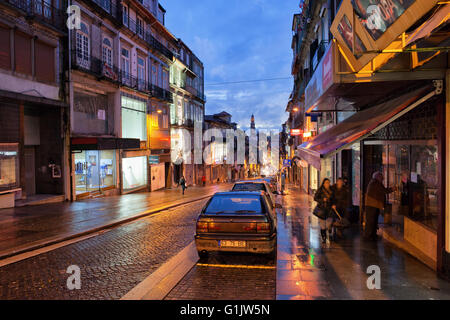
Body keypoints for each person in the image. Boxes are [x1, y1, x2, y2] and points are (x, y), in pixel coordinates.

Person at [364, 171, 394, 241]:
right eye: (381, 177)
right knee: (371, 221)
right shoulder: (375, 183)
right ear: (377, 177)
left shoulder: (376, 183)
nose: (383, 178)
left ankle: (372, 235)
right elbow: (384, 191)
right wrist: (392, 189)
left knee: (373, 221)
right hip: (372, 205)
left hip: (374, 205)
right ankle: (368, 236)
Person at [314, 178, 334, 243]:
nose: (327, 184)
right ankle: (324, 237)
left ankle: (328, 229)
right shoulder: (320, 190)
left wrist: (333, 204)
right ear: (323, 183)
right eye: (326, 183)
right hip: (321, 209)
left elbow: (334, 199)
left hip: (329, 209)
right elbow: (315, 198)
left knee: (329, 222)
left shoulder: (331, 190)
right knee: (322, 225)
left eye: (328, 182)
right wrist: (322, 200)